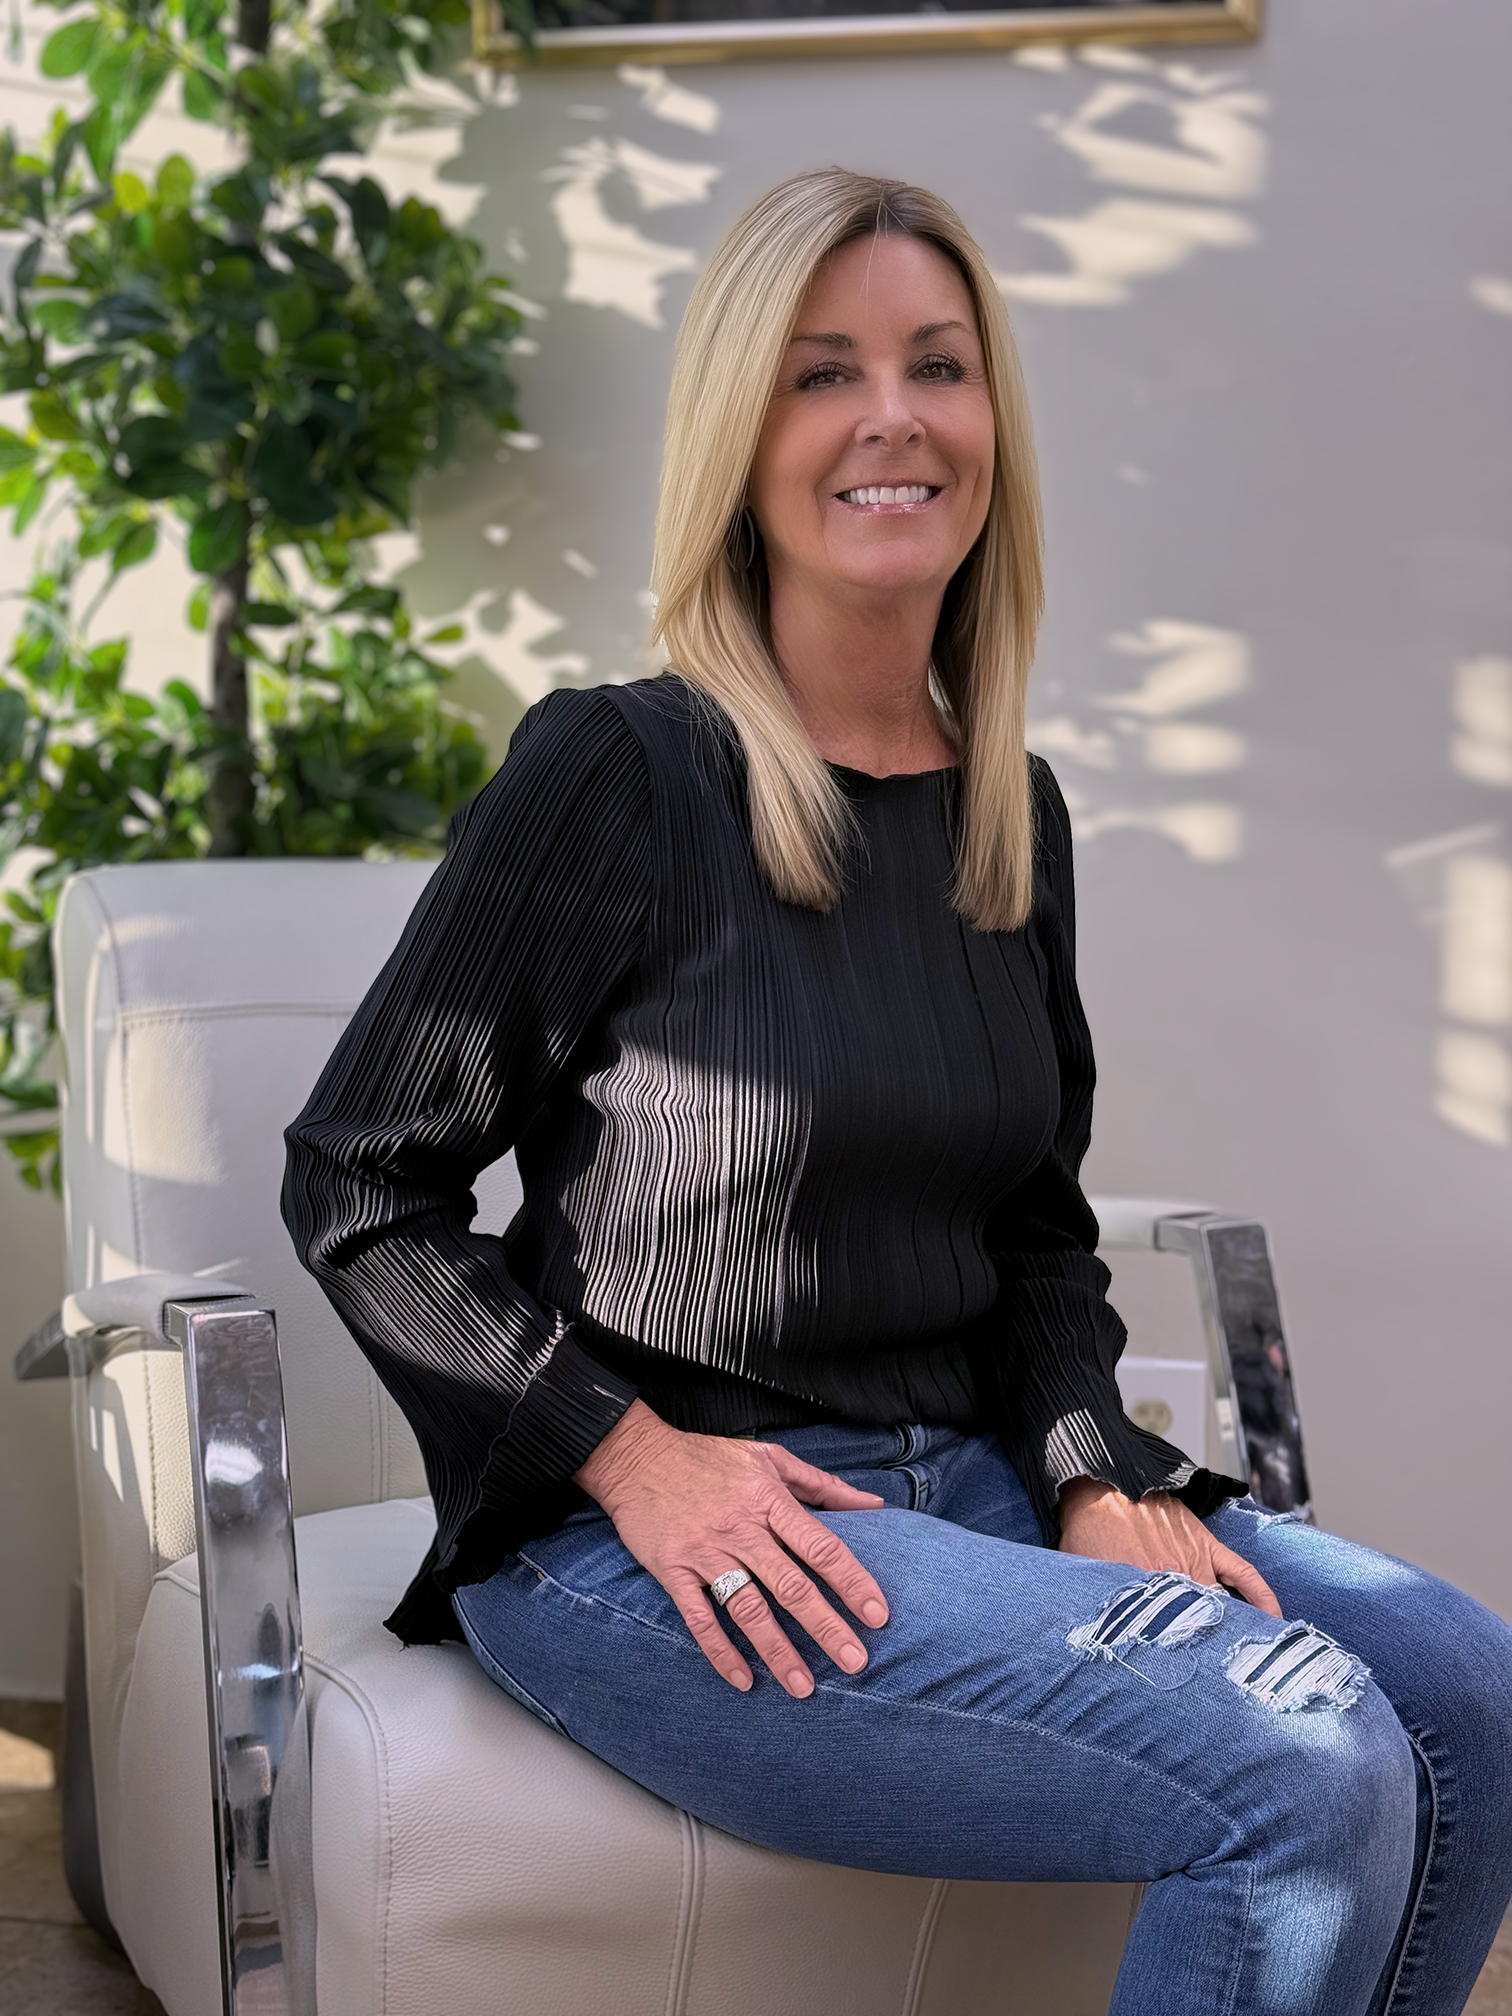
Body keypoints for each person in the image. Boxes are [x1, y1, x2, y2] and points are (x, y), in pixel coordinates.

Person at [282, 170, 1512, 2015]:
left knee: (1466, 1693)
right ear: (741, 438)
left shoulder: (1009, 809)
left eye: (939, 366)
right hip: (676, 1539)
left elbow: (1031, 1230)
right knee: (1303, 1750)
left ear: (992, 424)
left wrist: (1092, 1470)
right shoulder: (620, 770)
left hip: (983, 1497)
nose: (892, 418)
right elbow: (358, 1183)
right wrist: (631, 1456)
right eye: (820, 373)